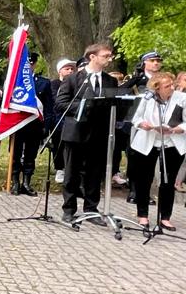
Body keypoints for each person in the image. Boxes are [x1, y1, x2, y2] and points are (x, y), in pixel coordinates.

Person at [55, 42, 118, 224]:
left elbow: (113, 105)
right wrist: (84, 105)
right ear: (92, 57)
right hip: (76, 132)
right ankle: (69, 209)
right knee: (72, 172)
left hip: (99, 133)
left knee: (94, 173)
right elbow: (60, 104)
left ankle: (91, 209)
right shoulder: (73, 79)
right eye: (105, 56)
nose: (109, 59)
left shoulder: (110, 80)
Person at [128, 71, 185, 231]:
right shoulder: (146, 99)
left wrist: (178, 129)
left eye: (172, 84)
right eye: (167, 86)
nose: (172, 88)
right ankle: (143, 215)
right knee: (143, 179)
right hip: (148, 141)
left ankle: (165, 217)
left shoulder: (182, 98)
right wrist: (142, 124)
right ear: (157, 88)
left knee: (168, 180)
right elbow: (135, 118)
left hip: (172, 142)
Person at [9, 52, 56, 195]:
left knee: (30, 155)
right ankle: (15, 182)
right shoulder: (14, 82)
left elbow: (49, 107)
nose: (27, 66)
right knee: (15, 154)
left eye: (30, 63)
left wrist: (46, 127)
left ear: (34, 64)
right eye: (24, 64)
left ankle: (26, 182)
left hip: (35, 124)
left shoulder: (43, 82)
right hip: (17, 124)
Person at [120, 51, 163, 203]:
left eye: (158, 61)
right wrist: (133, 81)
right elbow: (121, 93)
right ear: (144, 62)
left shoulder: (164, 80)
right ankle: (133, 191)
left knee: (151, 160)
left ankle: (145, 193)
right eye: (152, 60)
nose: (156, 63)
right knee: (134, 158)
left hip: (155, 125)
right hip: (136, 123)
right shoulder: (137, 79)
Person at [50, 58, 77, 183]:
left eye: (72, 69)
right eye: (67, 69)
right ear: (60, 71)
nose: (70, 71)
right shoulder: (54, 84)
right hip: (58, 119)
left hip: (73, 118)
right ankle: (59, 168)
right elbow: (57, 101)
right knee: (58, 144)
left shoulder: (77, 84)